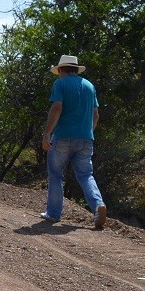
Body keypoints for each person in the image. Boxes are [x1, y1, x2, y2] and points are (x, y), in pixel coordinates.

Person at [40, 54, 107, 229]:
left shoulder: (60, 84)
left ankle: (53, 214)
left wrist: (47, 133)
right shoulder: (89, 86)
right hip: (86, 138)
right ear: (76, 69)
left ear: (61, 70)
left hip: (62, 136)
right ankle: (98, 205)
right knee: (86, 175)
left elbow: (56, 107)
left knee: (55, 174)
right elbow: (96, 115)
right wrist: (88, 132)